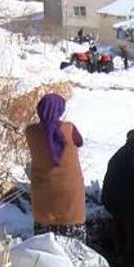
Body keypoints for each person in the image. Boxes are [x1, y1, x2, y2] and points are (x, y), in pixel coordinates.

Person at [25, 94, 87, 242]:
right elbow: (79, 141)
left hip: (43, 196)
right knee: (73, 248)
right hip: (70, 196)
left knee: (45, 248)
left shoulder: (31, 131)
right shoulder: (69, 128)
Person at [101, 129, 134, 265]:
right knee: (131, 223)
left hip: (109, 197)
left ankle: (117, 252)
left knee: (118, 220)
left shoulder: (120, 152)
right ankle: (128, 258)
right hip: (125, 197)